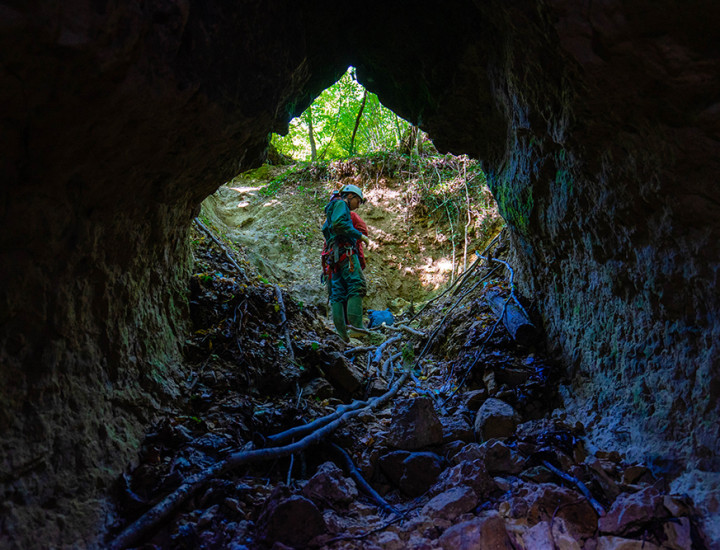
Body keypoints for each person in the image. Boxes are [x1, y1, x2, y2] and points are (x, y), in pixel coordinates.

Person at [321, 184, 370, 341]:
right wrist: (360, 236)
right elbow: (340, 224)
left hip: (334, 258)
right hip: (345, 254)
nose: (359, 205)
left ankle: (341, 334)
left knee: (338, 294)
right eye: (359, 201)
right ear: (350, 196)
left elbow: (328, 229)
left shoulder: (331, 209)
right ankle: (356, 329)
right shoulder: (341, 204)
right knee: (357, 284)